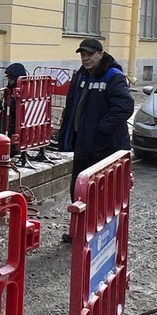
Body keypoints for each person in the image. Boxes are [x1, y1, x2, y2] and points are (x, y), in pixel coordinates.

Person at [56, 39, 133, 243]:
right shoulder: (81, 75)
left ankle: (102, 234)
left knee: (103, 193)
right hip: (83, 144)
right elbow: (72, 105)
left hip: (106, 147)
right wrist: (67, 132)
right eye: (83, 54)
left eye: (90, 54)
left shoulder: (112, 76)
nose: (86, 58)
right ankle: (80, 231)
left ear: (100, 54)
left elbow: (124, 107)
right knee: (79, 190)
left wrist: (100, 130)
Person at [0, 62, 28, 156]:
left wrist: (2, 104)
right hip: (8, 120)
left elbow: (12, 104)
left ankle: (11, 150)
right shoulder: (10, 88)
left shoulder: (22, 88)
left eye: (10, 77)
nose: (8, 80)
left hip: (14, 122)